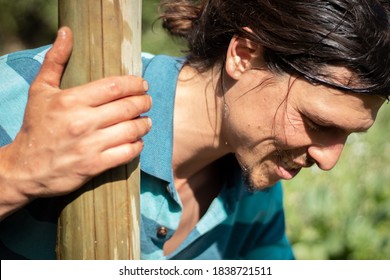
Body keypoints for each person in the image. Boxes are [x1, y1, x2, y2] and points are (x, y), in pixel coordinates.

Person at [0, 0, 389, 260]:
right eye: (318, 123)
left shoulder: (254, 193)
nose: (329, 159)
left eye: (348, 135)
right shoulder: (35, 93)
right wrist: (16, 175)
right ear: (243, 55)